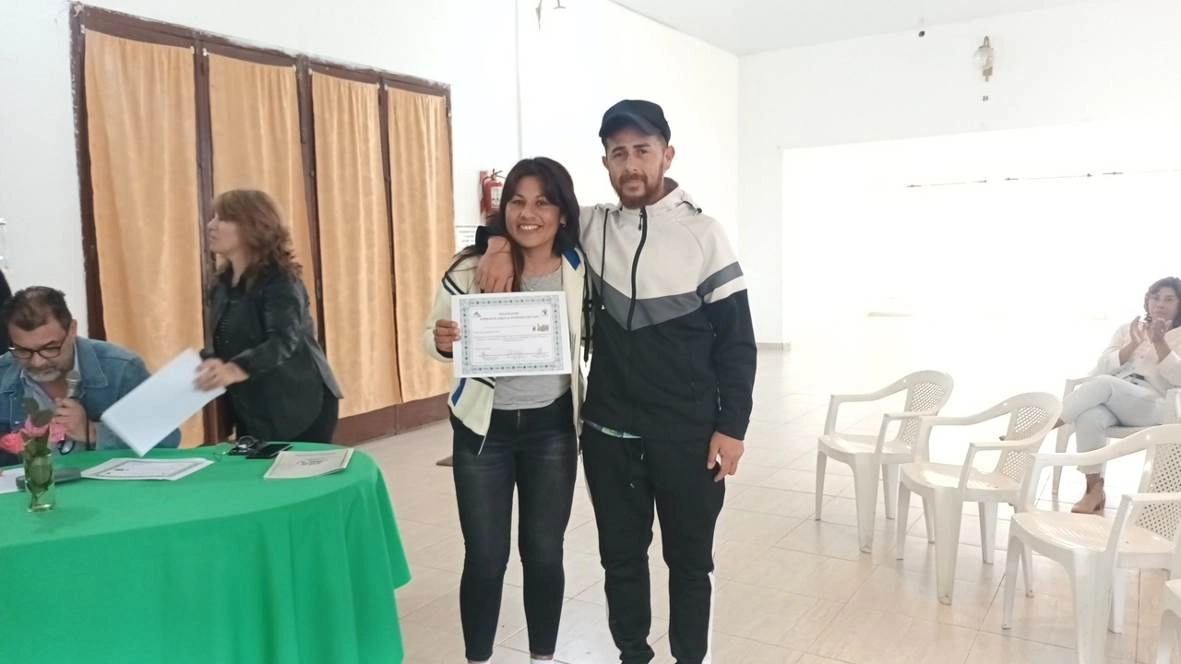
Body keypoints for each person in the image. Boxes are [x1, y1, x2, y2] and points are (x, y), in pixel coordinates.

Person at [477, 100, 757, 664]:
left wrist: (732, 428)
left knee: (690, 562)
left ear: (666, 155)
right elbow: (528, 219)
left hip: (687, 433)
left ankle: (689, 658)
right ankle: (633, 655)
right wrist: (498, 245)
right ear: (605, 161)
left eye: (642, 151)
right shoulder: (593, 226)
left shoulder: (704, 234)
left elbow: (736, 342)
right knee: (621, 561)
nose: (630, 164)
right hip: (609, 433)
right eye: (618, 153)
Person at [426, 157, 586, 664]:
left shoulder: (579, 269)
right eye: (517, 201)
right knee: (485, 557)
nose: (528, 213)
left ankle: (542, 657)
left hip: (552, 428)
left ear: (563, 212)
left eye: (543, 202)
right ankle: (478, 657)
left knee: (544, 552)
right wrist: (443, 342)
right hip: (483, 431)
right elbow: (432, 336)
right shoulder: (470, 269)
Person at [197, 189, 341, 444]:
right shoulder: (221, 285)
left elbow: (282, 341)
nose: (211, 225)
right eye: (213, 217)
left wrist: (234, 368)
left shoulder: (281, 281)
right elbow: (226, 341)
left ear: (253, 226)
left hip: (299, 403)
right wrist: (209, 362)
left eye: (223, 218)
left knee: (294, 471)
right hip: (253, 406)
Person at [0, 286, 181, 465]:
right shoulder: (3, 373)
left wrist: (93, 432)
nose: (37, 362)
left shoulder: (121, 368)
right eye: (23, 351)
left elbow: (167, 440)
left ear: (72, 330)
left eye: (49, 348)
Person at [1058, 277, 1181, 514]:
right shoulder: (1127, 329)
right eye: (1155, 298)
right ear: (1147, 301)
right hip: (1116, 397)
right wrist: (1132, 345)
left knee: (1105, 384)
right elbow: (1103, 367)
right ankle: (1093, 491)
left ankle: (1043, 426)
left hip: (1155, 404)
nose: (1160, 304)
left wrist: (1159, 343)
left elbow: (1179, 378)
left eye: (1169, 299)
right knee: (1089, 416)